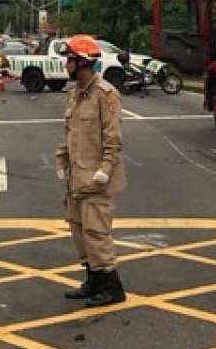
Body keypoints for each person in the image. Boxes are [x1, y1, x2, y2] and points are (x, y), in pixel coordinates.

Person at [55, 35, 127, 308]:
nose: (66, 65)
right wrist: (61, 159)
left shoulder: (105, 94)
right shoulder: (75, 93)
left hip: (96, 179)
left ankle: (111, 287)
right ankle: (94, 280)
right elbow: (70, 132)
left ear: (83, 63)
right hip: (76, 178)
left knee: (96, 233)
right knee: (78, 230)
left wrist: (105, 170)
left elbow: (113, 139)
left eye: (70, 60)